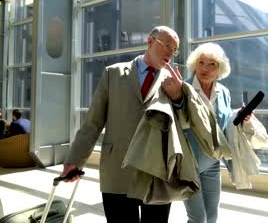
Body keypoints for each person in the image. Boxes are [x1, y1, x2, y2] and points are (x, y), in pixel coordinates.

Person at [61, 26, 185, 223]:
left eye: (175, 49)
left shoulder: (173, 83)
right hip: (117, 171)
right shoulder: (113, 74)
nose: (171, 52)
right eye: (167, 45)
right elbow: (93, 123)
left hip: (157, 174)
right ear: (150, 42)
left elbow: (183, 125)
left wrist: (179, 98)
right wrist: (74, 160)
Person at [183, 42, 251, 223]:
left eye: (212, 63)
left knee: (212, 216)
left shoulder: (224, 92)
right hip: (189, 164)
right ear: (194, 64)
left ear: (220, 68)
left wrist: (240, 116)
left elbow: (226, 122)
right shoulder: (183, 89)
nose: (205, 68)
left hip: (213, 161)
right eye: (201, 62)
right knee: (198, 218)